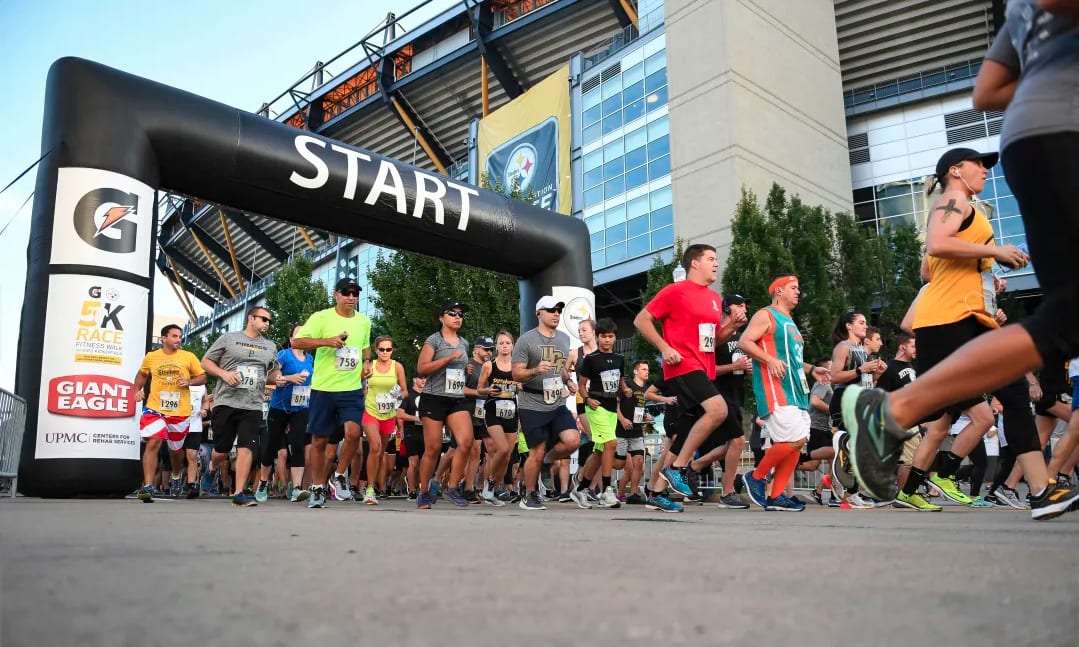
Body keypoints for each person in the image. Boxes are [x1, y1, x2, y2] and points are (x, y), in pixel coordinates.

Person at [843, 1, 1079, 521]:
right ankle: (872, 432)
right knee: (945, 406)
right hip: (945, 318)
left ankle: (1042, 491)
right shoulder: (953, 201)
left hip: (968, 315)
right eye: (978, 165)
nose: (985, 172)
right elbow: (936, 247)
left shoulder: (968, 204)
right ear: (955, 170)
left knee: (1006, 397)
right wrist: (994, 250)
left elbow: (990, 88)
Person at [633, 244, 745, 498]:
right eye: (711, 259)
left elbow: (712, 341)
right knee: (718, 409)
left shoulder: (715, 299)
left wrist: (731, 327)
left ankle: (658, 494)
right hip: (682, 365)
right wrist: (663, 347)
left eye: (716, 259)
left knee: (684, 432)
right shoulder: (676, 291)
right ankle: (678, 468)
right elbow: (641, 319)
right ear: (694, 263)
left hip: (704, 368)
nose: (716, 263)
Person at [738, 275, 830, 511]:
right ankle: (756, 477)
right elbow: (744, 341)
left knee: (797, 443)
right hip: (775, 389)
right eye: (793, 288)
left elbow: (792, 359)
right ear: (778, 291)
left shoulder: (790, 320)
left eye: (799, 287)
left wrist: (812, 369)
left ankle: (777, 496)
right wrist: (768, 360)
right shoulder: (766, 314)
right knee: (795, 439)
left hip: (796, 390)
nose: (798, 292)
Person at [292, 278, 373, 509]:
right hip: (324, 388)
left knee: (354, 432)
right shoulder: (321, 317)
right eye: (347, 292)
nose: (351, 297)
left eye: (356, 293)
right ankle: (317, 488)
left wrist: (367, 362)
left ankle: (338, 475)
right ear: (336, 295)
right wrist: (326, 341)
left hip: (351, 388)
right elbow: (298, 341)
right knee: (319, 439)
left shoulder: (364, 321)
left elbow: (365, 345)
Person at [201, 307, 281, 507]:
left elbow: (271, 373)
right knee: (222, 449)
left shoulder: (270, 346)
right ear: (251, 318)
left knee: (247, 446)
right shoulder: (229, 338)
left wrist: (280, 379)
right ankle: (211, 467)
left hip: (253, 404)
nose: (267, 323)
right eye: (263, 319)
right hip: (226, 401)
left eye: (269, 321)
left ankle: (239, 493)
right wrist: (224, 374)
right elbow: (205, 362)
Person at [512, 296, 582, 510]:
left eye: (559, 310)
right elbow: (516, 374)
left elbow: (559, 368)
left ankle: (545, 459)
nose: (556, 314)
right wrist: (534, 370)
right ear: (538, 313)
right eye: (551, 310)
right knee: (537, 449)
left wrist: (568, 380)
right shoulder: (526, 340)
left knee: (573, 440)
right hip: (532, 403)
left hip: (555, 402)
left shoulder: (563, 339)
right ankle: (530, 495)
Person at [132, 324, 208, 502]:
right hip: (155, 408)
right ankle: (148, 486)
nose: (178, 339)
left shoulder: (188, 356)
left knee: (176, 452)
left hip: (180, 411)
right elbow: (142, 375)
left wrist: (188, 381)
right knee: (154, 442)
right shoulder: (152, 357)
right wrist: (137, 390)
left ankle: (175, 475)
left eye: (180, 336)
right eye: (174, 336)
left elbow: (203, 377)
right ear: (163, 339)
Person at [415, 300, 474, 508]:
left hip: (456, 398)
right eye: (452, 313)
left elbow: (459, 370)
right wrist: (448, 359)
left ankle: (452, 487)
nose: (458, 317)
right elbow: (421, 368)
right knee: (433, 448)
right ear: (442, 317)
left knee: (466, 442)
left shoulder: (464, 343)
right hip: (434, 398)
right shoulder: (434, 340)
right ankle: (423, 491)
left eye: (460, 314)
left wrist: (465, 370)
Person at [255, 325, 313, 503]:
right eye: (298, 334)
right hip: (279, 407)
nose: (302, 337)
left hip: (301, 407)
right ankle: (263, 482)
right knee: (271, 445)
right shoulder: (284, 355)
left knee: (297, 445)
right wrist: (288, 378)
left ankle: (296, 488)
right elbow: (271, 375)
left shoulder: (310, 358)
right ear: (291, 339)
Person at [576, 317, 626, 508]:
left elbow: (620, 379)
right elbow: (581, 385)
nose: (607, 340)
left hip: (612, 407)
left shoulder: (620, 359)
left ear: (615, 338)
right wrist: (588, 399)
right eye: (603, 336)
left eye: (610, 336)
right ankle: (606, 490)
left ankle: (581, 488)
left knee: (599, 451)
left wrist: (625, 389)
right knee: (611, 444)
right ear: (597, 338)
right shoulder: (591, 359)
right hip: (596, 407)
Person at [361, 335, 407, 505]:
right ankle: (370, 488)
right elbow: (357, 381)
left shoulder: (397, 367)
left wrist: (400, 395)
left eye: (388, 349)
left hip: (388, 414)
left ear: (392, 350)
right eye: (382, 349)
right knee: (375, 446)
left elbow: (405, 390)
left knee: (379, 453)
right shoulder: (370, 365)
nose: (385, 352)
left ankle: (372, 483)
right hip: (371, 411)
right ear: (376, 350)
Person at [478, 332, 520, 505]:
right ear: (496, 346)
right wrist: (488, 390)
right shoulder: (489, 365)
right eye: (501, 343)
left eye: (507, 343)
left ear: (512, 345)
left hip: (511, 412)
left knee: (507, 455)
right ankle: (488, 483)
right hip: (493, 411)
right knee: (501, 449)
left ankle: (492, 487)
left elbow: (524, 385)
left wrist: (520, 385)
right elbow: (480, 388)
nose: (504, 345)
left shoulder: (518, 366)